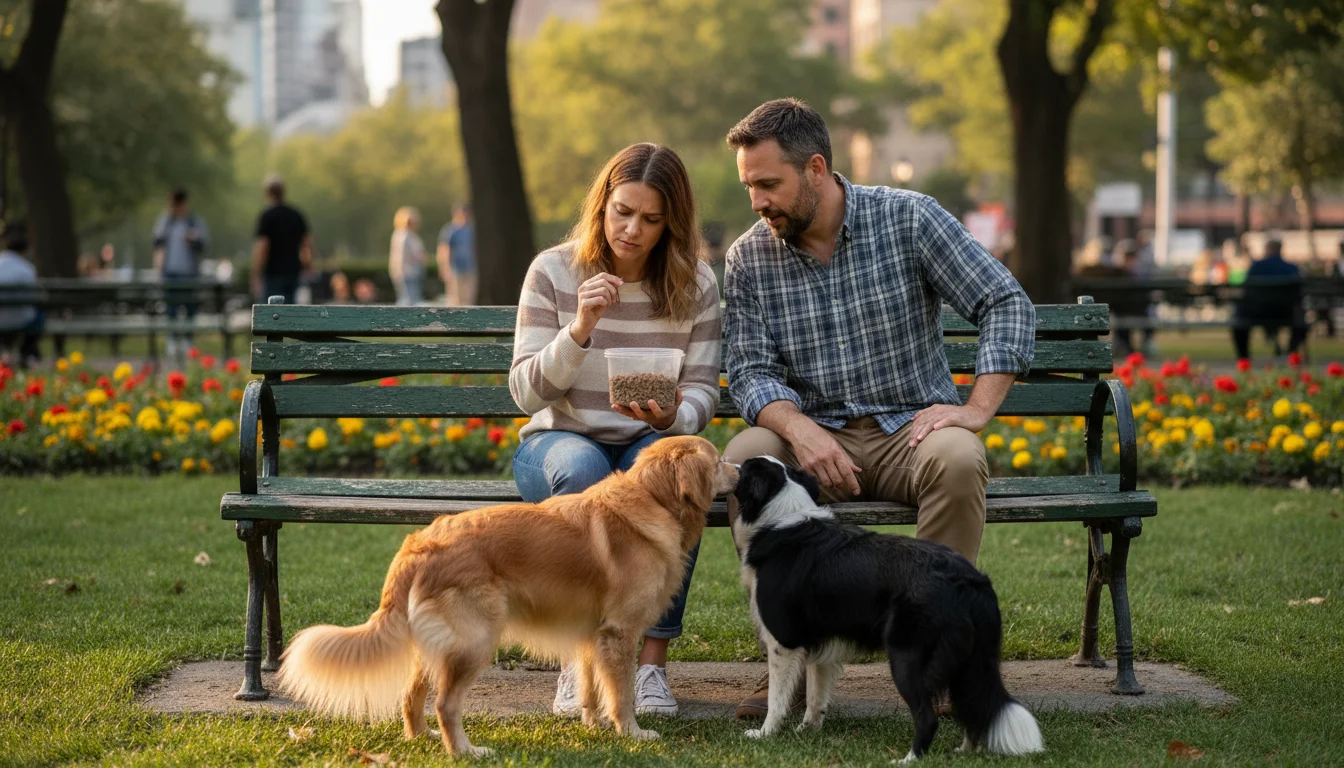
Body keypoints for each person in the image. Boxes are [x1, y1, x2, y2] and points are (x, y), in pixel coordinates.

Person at [720, 99, 1035, 719]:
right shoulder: (748, 257)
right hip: (811, 444)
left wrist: (975, 408)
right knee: (743, 456)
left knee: (959, 457)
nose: (756, 201)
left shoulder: (910, 219)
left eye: (767, 184)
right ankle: (789, 656)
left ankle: (937, 656)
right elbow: (751, 371)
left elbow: (1005, 301)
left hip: (908, 432)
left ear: (815, 169)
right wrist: (801, 430)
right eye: (748, 186)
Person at [508, 143, 722, 718]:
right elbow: (527, 393)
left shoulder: (694, 284)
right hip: (558, 441)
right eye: (622, 211)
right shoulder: (555, 271)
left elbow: (704, 389)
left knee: (681, 478)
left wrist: (672, 418)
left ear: (671, 225)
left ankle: (649, 665)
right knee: (585, 470)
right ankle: (577, 662)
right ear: (602, 204)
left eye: (651, 220)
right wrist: (579, 329)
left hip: (647, 442)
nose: (632, 230)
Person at [152, 188, 210, 355]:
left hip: (190, 273)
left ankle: (187, 340)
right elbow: (156, 242)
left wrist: (194, 238)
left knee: (190, 307)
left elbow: (204, 243)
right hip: (170, 272)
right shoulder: (166, 222)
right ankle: (172, 339)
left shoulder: (194, 222)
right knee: (171, 308)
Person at [1233, 237, 1307, 360]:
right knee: (1301, 321)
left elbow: (1246, 291)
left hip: (1258, 313)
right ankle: (1291, 352)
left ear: (1266, 250)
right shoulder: (1291, 268)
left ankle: (1243, 358)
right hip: (1286, 313)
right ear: (1280, 250)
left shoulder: (1256, 267)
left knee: (1239, 320)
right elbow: (1299, 294)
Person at [252, 175, 313, 304]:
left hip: (273, 273)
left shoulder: (267, 216)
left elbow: (263, 246)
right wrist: (308, 266)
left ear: (267, 193)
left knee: (271, 312)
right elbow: (307, 244)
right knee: (290, 310)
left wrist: (256, 273)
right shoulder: (296, 214)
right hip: (293, 271)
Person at [0, 222, 43, 369]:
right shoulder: (28, 269)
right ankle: (27, 352)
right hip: (22, 320)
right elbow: (35, 298)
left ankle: (6, 352)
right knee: (39, 317)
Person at [437, 203, 478, 306]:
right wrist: (445, 268)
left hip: (470, 268)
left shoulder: (471, 229)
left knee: (469, 297)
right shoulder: (450, 230)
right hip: (455, 268)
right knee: (455, 298)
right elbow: (444, 250)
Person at [389, 207, 427, 306]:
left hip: (413, 271)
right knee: (407, 299)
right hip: (406, 272)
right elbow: (401, 256)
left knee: (413, 298)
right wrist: (399, 271)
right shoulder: (402, 235)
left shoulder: (412, 235)